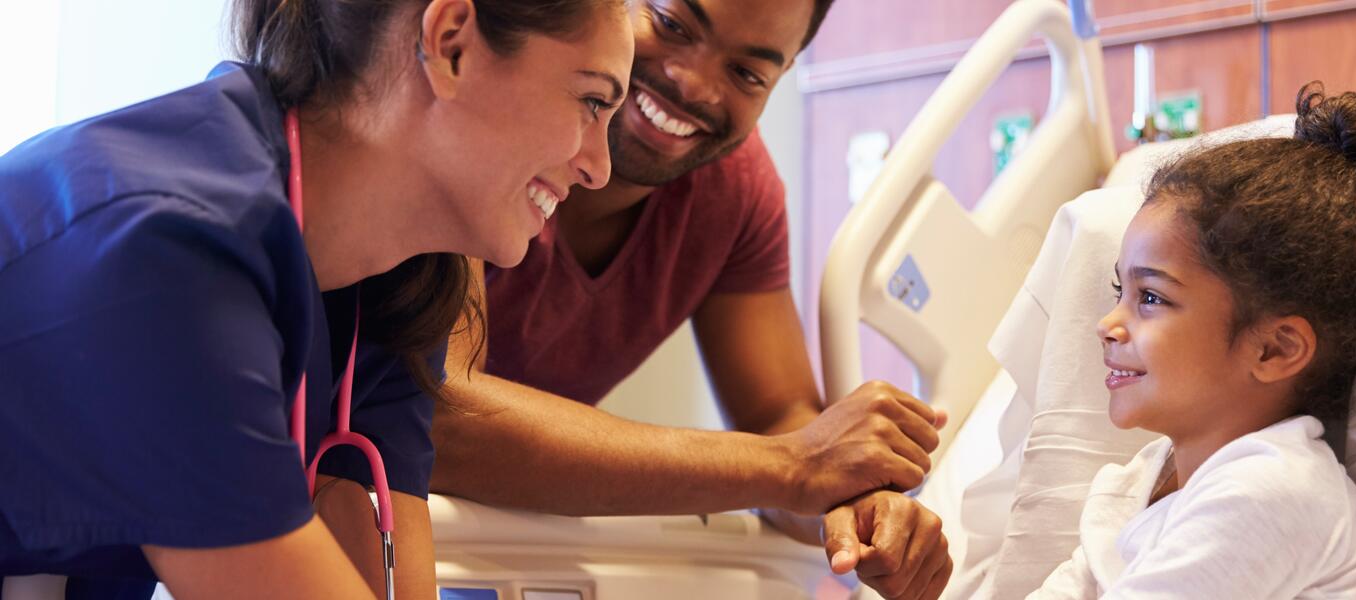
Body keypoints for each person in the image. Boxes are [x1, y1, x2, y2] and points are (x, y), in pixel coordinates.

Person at [0, 0, 631, 598]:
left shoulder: (390, 279)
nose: (600, 167)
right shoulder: (166, 251)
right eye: (592, 100)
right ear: (452, 44)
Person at [428, 0, 954, 597]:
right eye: (672, 24)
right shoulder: (477, 107)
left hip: (481, 543)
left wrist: (854, 504)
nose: (693, 84)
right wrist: (792, 468)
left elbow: (782, 421)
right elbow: (444, 416)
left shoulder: (734, 194)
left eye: (748, 74)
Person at [1026, 84, 1356, 599]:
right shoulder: (1149, 476)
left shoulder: (1273, 493)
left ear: (1273, 350)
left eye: (1151, 298)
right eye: (1119, 289)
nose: (1108, 323)